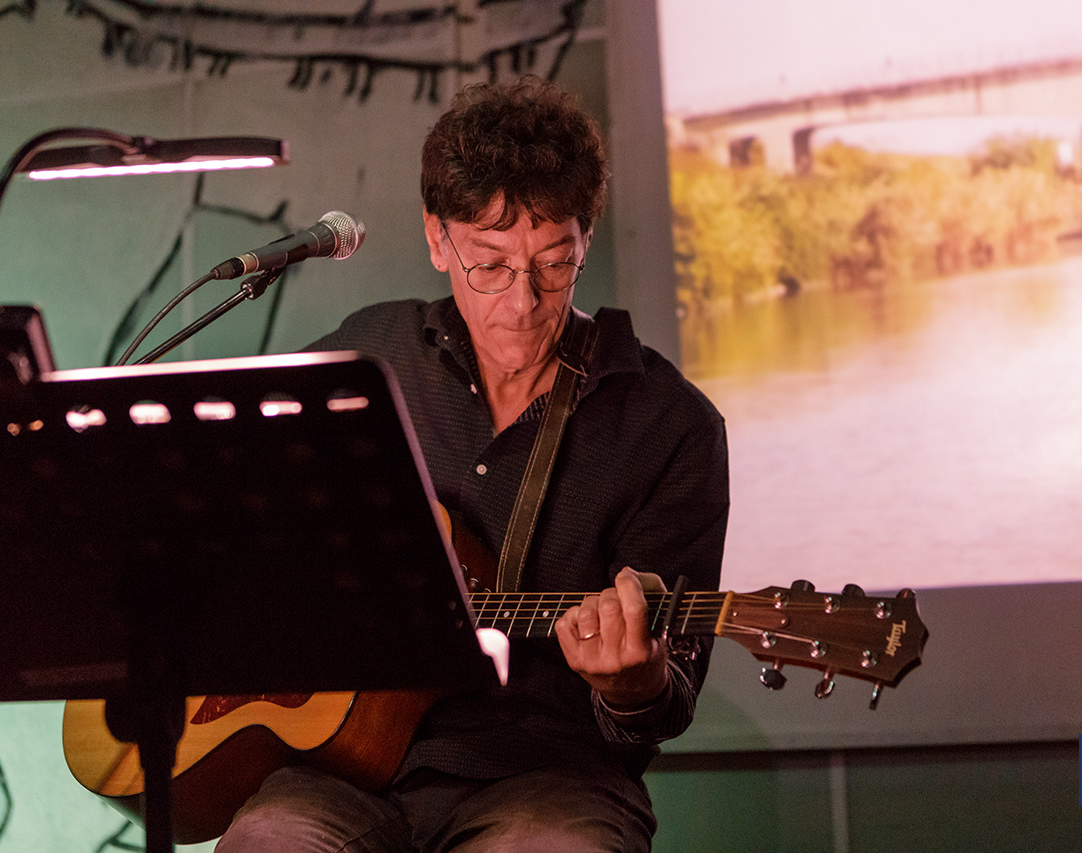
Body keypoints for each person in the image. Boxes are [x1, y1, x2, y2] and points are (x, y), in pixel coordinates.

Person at [216, 76, 729, 852]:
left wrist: (635, 682)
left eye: (554, 262)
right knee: (270, 840)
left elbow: (666, 702)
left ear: (585, 239)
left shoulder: (669, 425)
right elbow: (238, 523)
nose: (522, 302)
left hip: (546, 778)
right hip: (335, 770)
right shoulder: (366, 358)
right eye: (489, 263)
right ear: (436, 238)